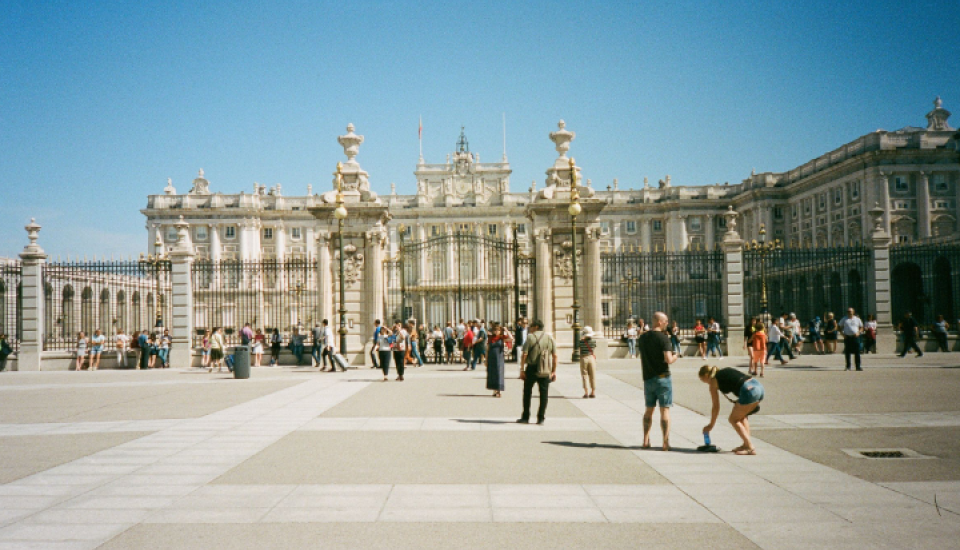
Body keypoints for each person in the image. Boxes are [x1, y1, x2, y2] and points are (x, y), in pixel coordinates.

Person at [699, 365, 765, 456]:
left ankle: (750, 447)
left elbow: (716, 407)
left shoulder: (713, 382)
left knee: (733, 419)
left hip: (748, 390)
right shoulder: (724, 371)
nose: (705, 383)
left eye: (703, 380)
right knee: (742, 416)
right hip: (758, 387)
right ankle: (745, 444)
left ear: (706, 376)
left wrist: (711, 425)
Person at [639, 312, 678, 451]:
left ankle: (645, 440)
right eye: (666, 321)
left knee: (648, 410)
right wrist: (675, 356)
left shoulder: (642, 338)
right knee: (664, 410)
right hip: (663, 378)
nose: (667, 323)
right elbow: (668, 359)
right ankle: (665, 442)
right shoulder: (663, 338)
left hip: (648, 378)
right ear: (660, 322)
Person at [517, 319, 557, 425]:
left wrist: (522, 369)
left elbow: (524, 354)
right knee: (544, 394)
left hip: (532, 368)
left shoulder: (530, 337)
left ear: (536, 327)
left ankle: (525, 417)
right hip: (545, 369)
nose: (529, 327)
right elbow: (555, 355)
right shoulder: (549, 337)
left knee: (527, 393)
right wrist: (553, 371)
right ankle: (541, 418)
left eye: (531, 326)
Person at [487, 324, 511, 398]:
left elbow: (511, 338)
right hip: (491, 358)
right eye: (495, 330)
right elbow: (487, 349)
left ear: (500, 331)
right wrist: (486, 360)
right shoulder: (490, 338)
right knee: (492, 374)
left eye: (498, 330)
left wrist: (506, 330)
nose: (496, 331)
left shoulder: (501, 338)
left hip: (499, 358)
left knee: (499, 373)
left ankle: (498, 390)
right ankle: (494, 390)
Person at [580, 326, 598, 399]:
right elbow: (593, 348)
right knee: (592, 375)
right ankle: (593, 392)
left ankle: (586, 392)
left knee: (584, 375)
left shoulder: (581, 342)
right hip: (591, 357)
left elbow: (580, 348)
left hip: (584, 358)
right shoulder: (593, 341)